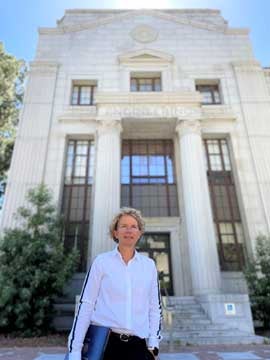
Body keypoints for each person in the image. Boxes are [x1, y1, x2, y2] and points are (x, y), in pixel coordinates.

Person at [67, 207, 162, 360]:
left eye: (133, 227)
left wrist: (154, 344)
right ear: (115, 232)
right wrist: (75, 350)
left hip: (139, 347)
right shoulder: (101, 262)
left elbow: (154, 308)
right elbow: (86, 305)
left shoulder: (149, 265)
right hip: (106, 345)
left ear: (139, 233)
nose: (129, 230)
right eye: (124, 226)